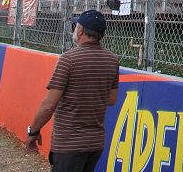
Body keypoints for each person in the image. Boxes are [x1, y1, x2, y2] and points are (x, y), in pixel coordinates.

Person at [25, 10, 119, 172]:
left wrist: (33, 131)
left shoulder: (69, 59)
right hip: (95, 143)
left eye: (76, 27)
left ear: (81, 31)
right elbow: (111, 99)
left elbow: (49, 105)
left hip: (69, 143)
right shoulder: (112, 60)